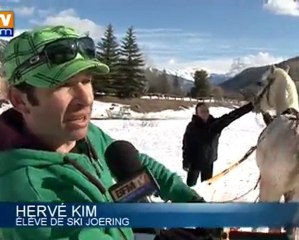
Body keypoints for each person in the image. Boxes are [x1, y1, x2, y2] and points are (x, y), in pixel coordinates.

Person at [0, 26, 215, 240]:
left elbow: (139, 165)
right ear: (19, 100)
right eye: (63, 85)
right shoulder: (27, 195)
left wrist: (193, 203)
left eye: (86, 80)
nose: (86, 98)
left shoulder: (84, 135)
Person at [182, 101, 253, 187]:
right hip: (194, 163)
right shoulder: (191, 127)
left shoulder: (215, 125)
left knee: (206, 188)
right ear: (197, 113)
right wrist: (186, 162)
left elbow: (232, 116)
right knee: (190, 188)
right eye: (202, 111)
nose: (205, 113)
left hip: (208, 162)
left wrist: (250, 106)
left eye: (206, 111)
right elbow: (186, 145)